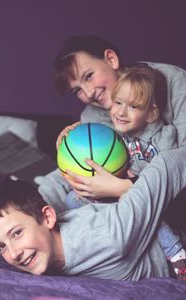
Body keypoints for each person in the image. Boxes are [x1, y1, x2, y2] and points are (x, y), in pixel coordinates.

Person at [0, 146, 186, 280]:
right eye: (1, 247)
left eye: (16, 233)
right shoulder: (38, 228)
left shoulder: (110, 235)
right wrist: (71, 153)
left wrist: (123, 186)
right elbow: (50, 184)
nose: (14, 253)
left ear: (48, 217)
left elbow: (170, 163)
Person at [36, 35, 186, 211]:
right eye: (77, 90)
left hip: (173, 201)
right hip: (135, 203)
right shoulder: (92, 117)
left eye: (89, 76)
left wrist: (125, 187)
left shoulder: (172, 81)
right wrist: (38, 204)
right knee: (72, 199)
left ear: (111, 59)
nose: (89, 93)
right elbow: (79, 170)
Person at [63, 64, 186, 279]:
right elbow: (95, 157)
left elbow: (165, 178)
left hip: (150, 199)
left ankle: (175, 253)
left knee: (158, 221)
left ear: (151, 114)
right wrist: (72, 136)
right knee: (72, 200)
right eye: (118, 103)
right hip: (117, 198)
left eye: (133, 107)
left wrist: (128, 185)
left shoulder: (165, 137)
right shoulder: (116, 138)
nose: (121, 112)